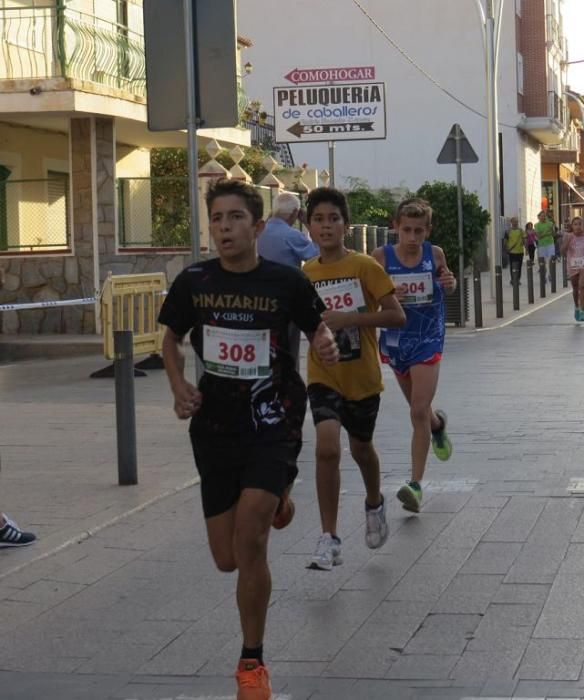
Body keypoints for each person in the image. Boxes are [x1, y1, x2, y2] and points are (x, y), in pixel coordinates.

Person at [159, 178, 339, 700]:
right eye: (216, 219)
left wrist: (324, 343)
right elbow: (168, 339)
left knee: (252, 537)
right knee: (227, 557)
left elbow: (318, 328)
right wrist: (177, 386)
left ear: (257, 226)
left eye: (234, 218)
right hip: (215, 426)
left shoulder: (286, 283)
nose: (223, 228)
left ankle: (252, 663)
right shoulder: (193, 281)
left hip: (273, 418)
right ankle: (278, 498)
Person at [302, 187, 406, 572]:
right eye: (318, 219)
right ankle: (329, 538)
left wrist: (351, 319)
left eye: (333, 218)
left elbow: (397, 316)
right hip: (322, 373)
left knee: (362, 450)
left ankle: (374, 502)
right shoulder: (305, 274)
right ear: (308, 226)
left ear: (346, 225)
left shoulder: (365, 267)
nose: (326, 226)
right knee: (327, 448)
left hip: (361, 377)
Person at [373, 198, 456, 514]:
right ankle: (437, 426)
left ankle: (416, 485)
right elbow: (368, 299)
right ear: (395, 227)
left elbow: (447, 285)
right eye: (406, 230)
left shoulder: (434, 254)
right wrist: (389, 297)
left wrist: (449, 283)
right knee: (420, 412)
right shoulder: (380, 258)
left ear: (427, 231)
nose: (411, 237)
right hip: (396, 341)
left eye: (418, 231)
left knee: (417, 409)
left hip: (428, 337)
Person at [257, 192, 321, 363]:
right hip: (287, 300)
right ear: (295, 213)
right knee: (288, 352)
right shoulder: (291, 235)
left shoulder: (258, 231)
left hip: (258, 300)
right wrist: (308, 224)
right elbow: (318, 256)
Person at [561, 216, 584, 321]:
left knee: (581, 286)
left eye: (580, 224)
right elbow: (562, 251)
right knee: (575, 288)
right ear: (572, 226)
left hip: (583, 265)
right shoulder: (568, 236)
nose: (578, 226)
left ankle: (582, 311)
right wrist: (567, 242)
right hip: (572, 265)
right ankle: (577, 307)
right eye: (575, 224)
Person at [505, 217, 526, 286]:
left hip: (520, 251)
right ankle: (513, 279)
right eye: (514, 221)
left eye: (516, 221)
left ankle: (518, 279)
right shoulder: (508, 231)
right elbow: (505, 241)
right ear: (511, 222)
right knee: (512, 266)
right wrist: (506, 248)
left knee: (519, 266)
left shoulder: (521, 231)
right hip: (512, 252)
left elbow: (524, 240)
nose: (515, 223)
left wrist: (526, 248)